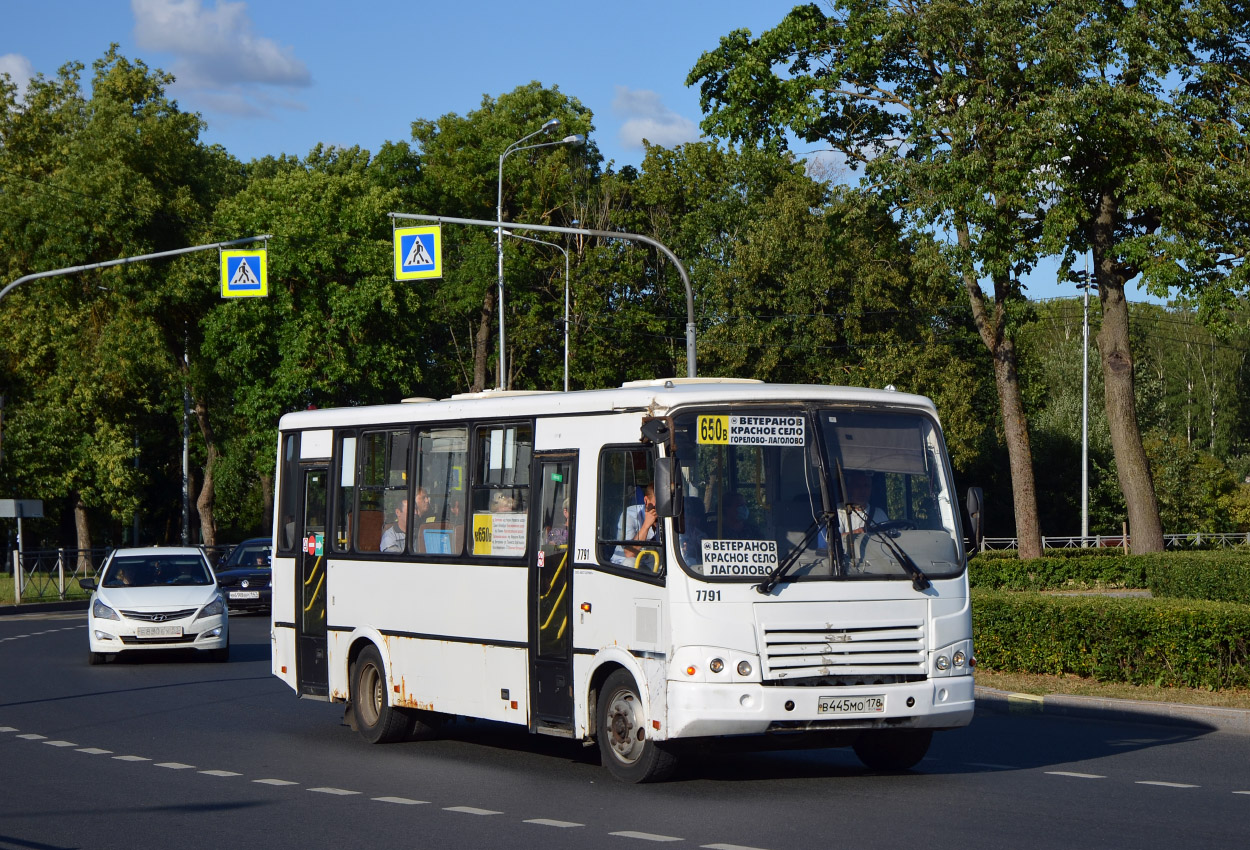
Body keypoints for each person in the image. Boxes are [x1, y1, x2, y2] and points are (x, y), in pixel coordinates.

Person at [611, 483, 659, 567]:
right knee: (630, 562)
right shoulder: (629, 515)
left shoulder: (667, 518)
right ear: (646, 500)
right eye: (657, 505)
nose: (660, 510)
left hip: (651, 561)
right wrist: (646, 525)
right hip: (625, 563)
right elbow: (629, 553)